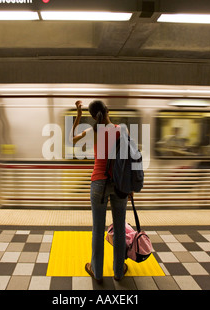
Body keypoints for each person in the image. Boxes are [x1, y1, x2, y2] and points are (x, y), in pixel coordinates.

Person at [71, 100, 128, 283]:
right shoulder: (122, 130)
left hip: (98, 184)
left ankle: (97, 272)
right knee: (120, 229)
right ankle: (118, 272)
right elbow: (127, 161)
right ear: (107, 110)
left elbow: (71, 139)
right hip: (119, 185)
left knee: (98, 229)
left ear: (94, 116)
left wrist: (79, 116)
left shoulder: (94, 131)